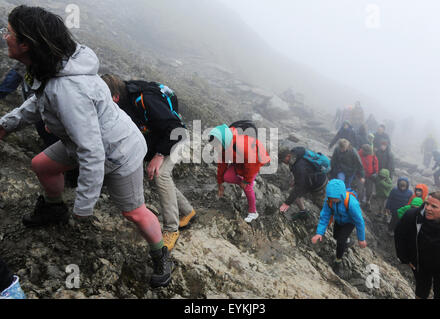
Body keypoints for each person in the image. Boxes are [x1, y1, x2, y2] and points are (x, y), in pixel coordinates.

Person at [0, 5, 171, 288]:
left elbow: (92, 152)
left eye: (10, 33)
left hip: (119, 152)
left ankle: (160, 253)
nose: (5, 36)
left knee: (133, 211)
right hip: (83, 140)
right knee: (41, 165)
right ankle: (54, 208)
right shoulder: (55, 67)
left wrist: (84, 206)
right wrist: (7, 124)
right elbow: (40, 100)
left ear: (27, 44)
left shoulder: (68, 91)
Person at [101, 74, 195, 252]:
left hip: (175, 136)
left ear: (115, 97)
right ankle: (188, 211)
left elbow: (176, 130)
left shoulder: (145, 100)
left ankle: (171, 229)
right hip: (160, 137)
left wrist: (159, 155)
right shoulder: (124, 99)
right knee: (157, 175)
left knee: (160, 174)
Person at [209, 123, 270, 223]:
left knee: (247, 187)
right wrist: (220, 184)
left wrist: (246, 181)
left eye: (216, 145)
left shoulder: (241, 145)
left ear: (222, 140)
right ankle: (249, 182)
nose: (215, 148)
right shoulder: (223, 147)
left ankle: (253, 212)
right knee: (227, 177)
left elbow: (252, 165)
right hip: (240, 161)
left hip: (255, 161)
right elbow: (222, 166)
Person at [395, 191, 440, 299]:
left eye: (434, 206)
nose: (428, 208)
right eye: (427, 203)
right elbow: (400, 235)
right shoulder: (412, 216)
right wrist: (405, 258)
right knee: (421, 289)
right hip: (421, 263)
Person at [311, 179, 367, 276]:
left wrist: (361, 239)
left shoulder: (352, 203)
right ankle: (348, 241)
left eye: (335, 198)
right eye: (331, 197)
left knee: (340, 241)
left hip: (349, 222)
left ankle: (338, 260)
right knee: (336, 236)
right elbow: (325, 217)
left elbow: (359, 221)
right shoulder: (329, 201)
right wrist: (319, 233)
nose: (333, 200)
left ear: (341, 195)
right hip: (339, 220)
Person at [278, 147, 328, 220]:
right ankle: (303, 212)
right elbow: (305, 172)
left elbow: (299, 187)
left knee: (322, 205)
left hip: (320, 184)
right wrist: (296, 180)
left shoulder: (298, 166)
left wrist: (286, 203)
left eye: (283, 159)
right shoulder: (295, 156)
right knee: (296, 195)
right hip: (311, 181)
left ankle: (333, 220)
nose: (283, 162)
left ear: (288, 156)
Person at [358, 144, 379, 211]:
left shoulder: (372, 155)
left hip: (370, 176)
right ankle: (359, 202)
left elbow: (375, 164)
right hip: (361, 175)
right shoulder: (358, 154)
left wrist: (376, 172)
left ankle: (367, 202)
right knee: (360, 189)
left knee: (369, 191)